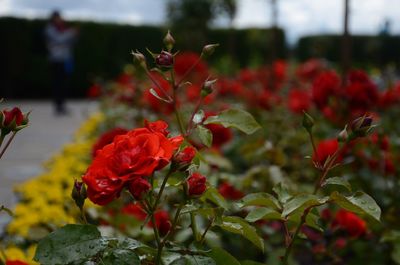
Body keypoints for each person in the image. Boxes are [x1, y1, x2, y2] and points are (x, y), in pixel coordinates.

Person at [44, 10, 78, 115]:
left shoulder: (62, 28)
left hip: (65, 59)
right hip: (56, 60)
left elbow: (69, 43)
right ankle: (58, 106)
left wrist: (73, 36)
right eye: (58, 18)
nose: (60, 20)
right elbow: (60, 39)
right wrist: (71, 33)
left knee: (63, 83)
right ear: (54, 18)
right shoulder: (50, 29)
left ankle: (62, 105)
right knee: (58, 83)